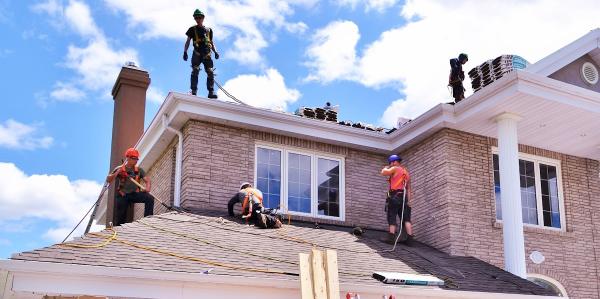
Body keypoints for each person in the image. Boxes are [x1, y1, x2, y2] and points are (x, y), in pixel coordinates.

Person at [106, 148, 154, 226]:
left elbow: (147, 180)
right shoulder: (119, 168)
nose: (136, 160)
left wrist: (147, 188)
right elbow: (109, 180)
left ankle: (148, 220)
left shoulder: (138, 170)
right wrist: (117, 172)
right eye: (134, 158)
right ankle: (119, 229)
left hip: (134, 194)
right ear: (128, 158)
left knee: (149, 198)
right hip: (123, 195)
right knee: (121, 217)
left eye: (137, 159)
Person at [183, 9, 220, 98]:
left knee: (210, 72)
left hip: (207, 54)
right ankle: (193, 91)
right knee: (195, 71)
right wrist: (185, 52)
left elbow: (211, 42)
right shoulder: (192, 29)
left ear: (203, 18)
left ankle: (211, 92)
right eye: (196, 18)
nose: (198, 19)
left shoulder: (208, 30)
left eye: (199, 17)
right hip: (197, 54)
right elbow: (188, 41)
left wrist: (215, 51)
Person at [380, 154, 413, 245]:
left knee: (392, 215)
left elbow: (383, 173)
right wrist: (409, 201)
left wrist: (385, 168)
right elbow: (409, 188)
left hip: (395, 196)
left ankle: (391, 238)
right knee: (406, 218)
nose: (390, 165)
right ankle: (410, 240)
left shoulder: (395, 168)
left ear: (394, 162)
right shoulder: (406, 173)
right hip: (404, 197)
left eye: (391, 163)